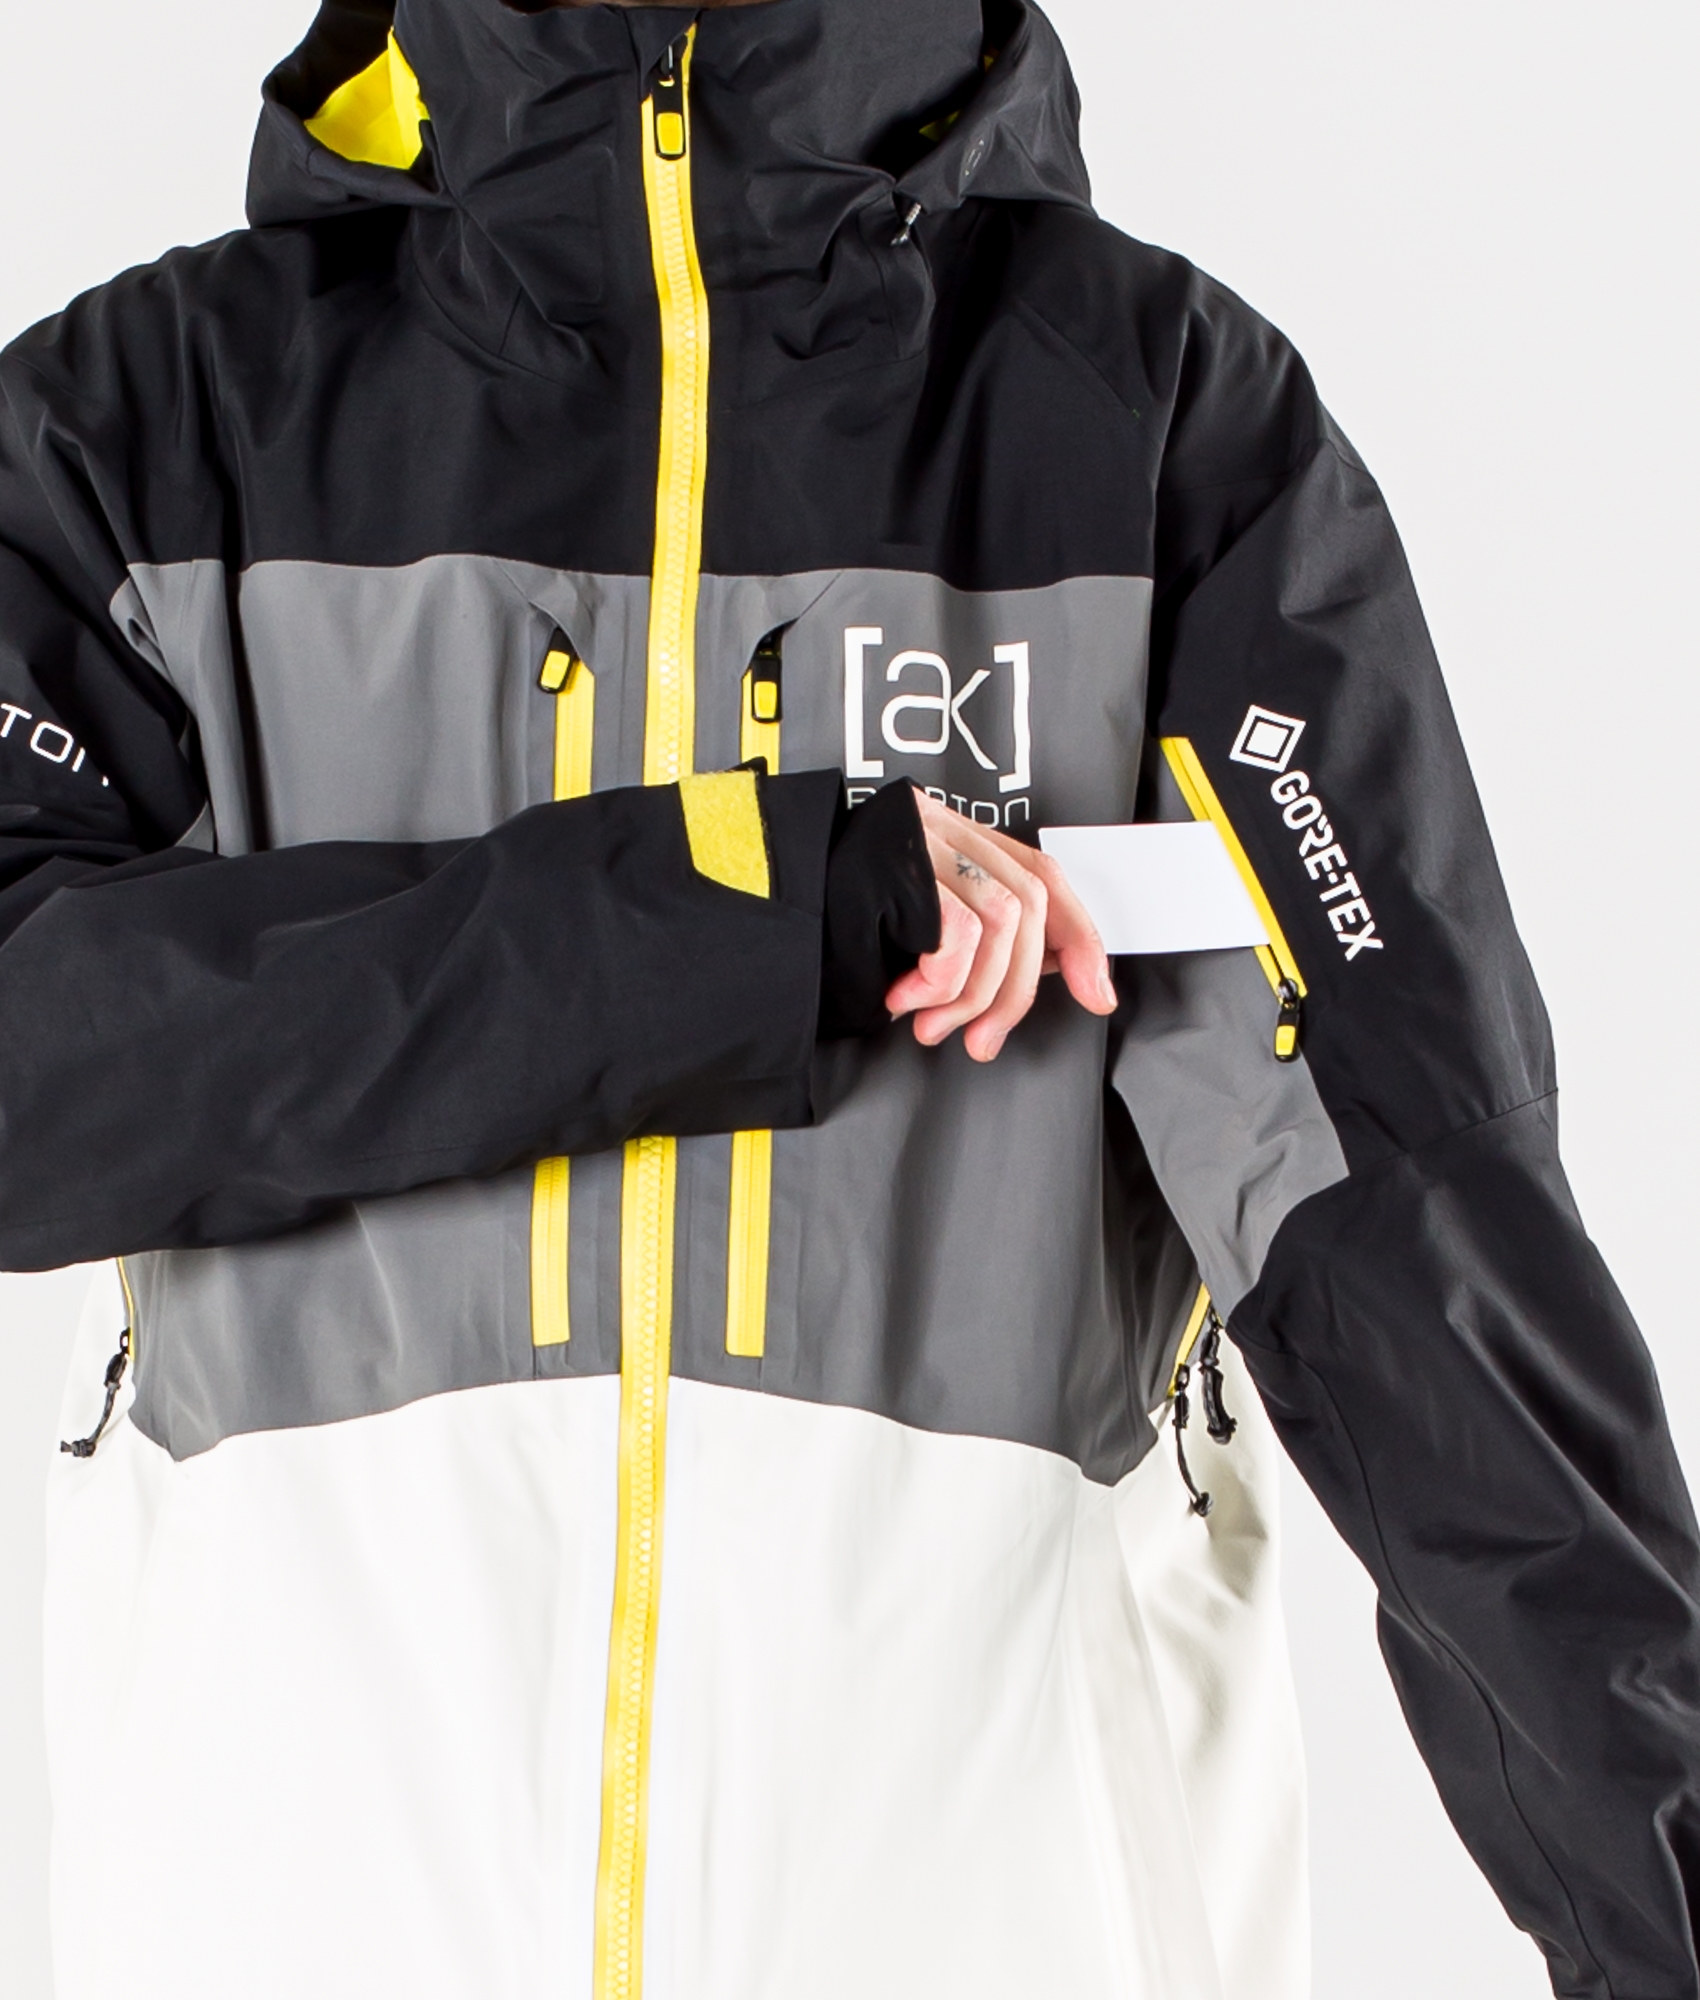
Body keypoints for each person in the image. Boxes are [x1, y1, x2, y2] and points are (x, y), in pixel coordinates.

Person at [3, 1, 1696, 1996]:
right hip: (294, 1919)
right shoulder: (145, 426)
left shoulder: (1151, 429)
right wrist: (751, 905)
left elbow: (1414, 1242)